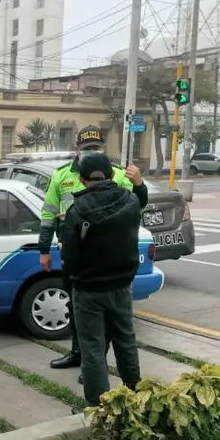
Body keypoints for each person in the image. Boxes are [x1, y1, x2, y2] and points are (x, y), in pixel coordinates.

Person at [38, 126, 144, 371]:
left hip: (106, 256)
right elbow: (48, 213)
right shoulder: (61, 176)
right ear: (78, 149)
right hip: (72, 255)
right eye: (86, 149)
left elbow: (132, 209)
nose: (90, 153)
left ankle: (93, 363)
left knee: (104, 320)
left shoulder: (116, 175)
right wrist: (44, 248)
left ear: (103, 149)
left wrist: (139, 183)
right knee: (75, 310)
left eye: (95, 148)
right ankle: (78, 354)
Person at [61, 152, 147, 407]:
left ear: (83, 179)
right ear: (111, 175)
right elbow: (141, 201)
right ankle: (135, 393)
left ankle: (99, 407)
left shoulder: (78, 210)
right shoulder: (129, 200)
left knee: (93, 349)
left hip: (88, 290)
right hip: (121, 285)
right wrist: (139, 183)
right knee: (126, 340)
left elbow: (70, 256)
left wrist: (72, 284)